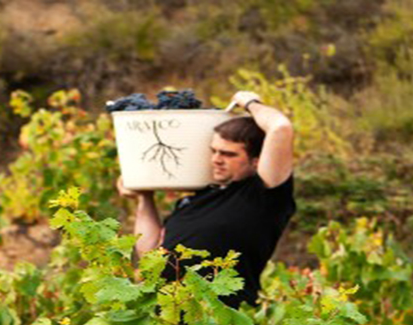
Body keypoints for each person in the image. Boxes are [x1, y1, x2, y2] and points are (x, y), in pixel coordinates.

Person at [118, 91, 297, 309]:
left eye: (229, 154)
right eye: (214, 151)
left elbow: (280, 128)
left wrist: (250, 102)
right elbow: (149, 254)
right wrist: (144, 196)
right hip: (166, 322)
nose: (216, 160)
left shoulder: (263, 196)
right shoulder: (196, 200)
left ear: (256, 161)